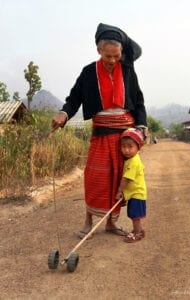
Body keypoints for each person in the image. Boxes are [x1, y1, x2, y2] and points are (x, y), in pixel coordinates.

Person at [51, 23, 147, 239]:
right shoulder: (88, 73)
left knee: (118, 180)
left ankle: (111, 223)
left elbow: (139, 101)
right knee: (94, 177)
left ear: (121, 52)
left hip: (125, 135)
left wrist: (141, 127)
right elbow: (74, 98)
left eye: (116, 56)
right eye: (108, 56)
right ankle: (88, 220)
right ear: (98, 50)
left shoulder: (129, 71)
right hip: (101, 133)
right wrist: (63, 114)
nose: (113, 61)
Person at [116, 128, 147, 242]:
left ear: (138, 147)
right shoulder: (131, 159)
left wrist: (120, 191)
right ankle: (139, 230)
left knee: (135, 215)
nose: (126, 150)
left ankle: (137, 233)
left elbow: (126, 179)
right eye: (123, 146)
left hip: (137, 194)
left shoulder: (133, 161)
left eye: (130, 146)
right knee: (134, 214)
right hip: (135, 193)